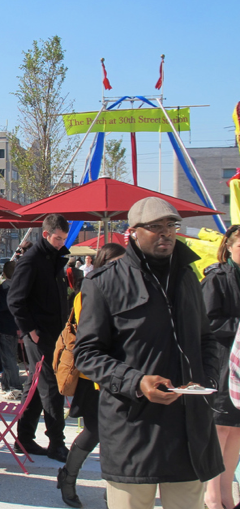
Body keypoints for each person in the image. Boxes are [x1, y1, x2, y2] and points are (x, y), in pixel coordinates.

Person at [74, 197, 222, 509]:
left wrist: (204, 380)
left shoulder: (188, 277)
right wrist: (136, 382)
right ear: (133, 232)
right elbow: (86, 354)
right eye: (155, 227)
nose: (166, 233)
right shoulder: (105, 282)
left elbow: (206, 339)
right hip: (133, 428)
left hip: (187, 430)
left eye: (171, 226)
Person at [56, 242, 126, 508]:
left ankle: (114, 490)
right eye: (115, 264)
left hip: (118, 375)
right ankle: (69, 478)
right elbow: (90, 338)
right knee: (96, 430)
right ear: (104, 264)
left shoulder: (125, 290)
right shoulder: (88, 291)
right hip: (93, 376)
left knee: (114, 433)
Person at [7, 213, 70, 462]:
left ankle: (24, 436)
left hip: (54, 332)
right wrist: (29, 329)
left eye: (64, 239)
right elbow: (15, 299)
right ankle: (56, 442)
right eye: (57, 238)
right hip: (40, 334)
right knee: (51, 387)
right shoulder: (31, 260)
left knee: (34, 386)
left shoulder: (54, 257)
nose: (61, 243)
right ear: (46, 234)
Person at [202, 225, 240, 509]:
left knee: (237, 431)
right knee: (220, 430)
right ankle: (213, 495)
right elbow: (208, 321)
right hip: (223, 363)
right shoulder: (217, 277)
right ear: (228, 246)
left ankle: (227, 493)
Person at [0, 261, 24, 400]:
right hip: (15, 324)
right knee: (10, 356)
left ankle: (15, 387)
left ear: (4, 273)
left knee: (8, 359)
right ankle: (5, 385)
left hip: (4, 325)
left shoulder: (5, 287)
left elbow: (0, 306)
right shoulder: (19, 286)